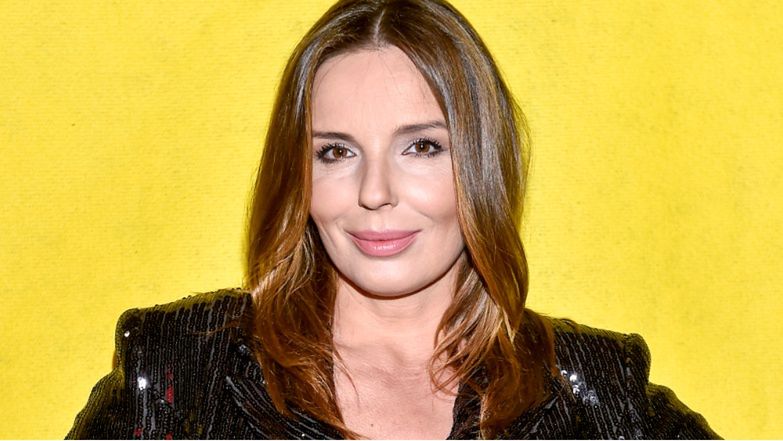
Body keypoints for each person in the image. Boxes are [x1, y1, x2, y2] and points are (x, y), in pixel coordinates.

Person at [67, 0, 720, 439]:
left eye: (421, 146)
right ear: (297, 176)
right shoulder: (179, 370)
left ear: (481, 164)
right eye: (336, 151)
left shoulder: (597, 389)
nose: (374, 192)